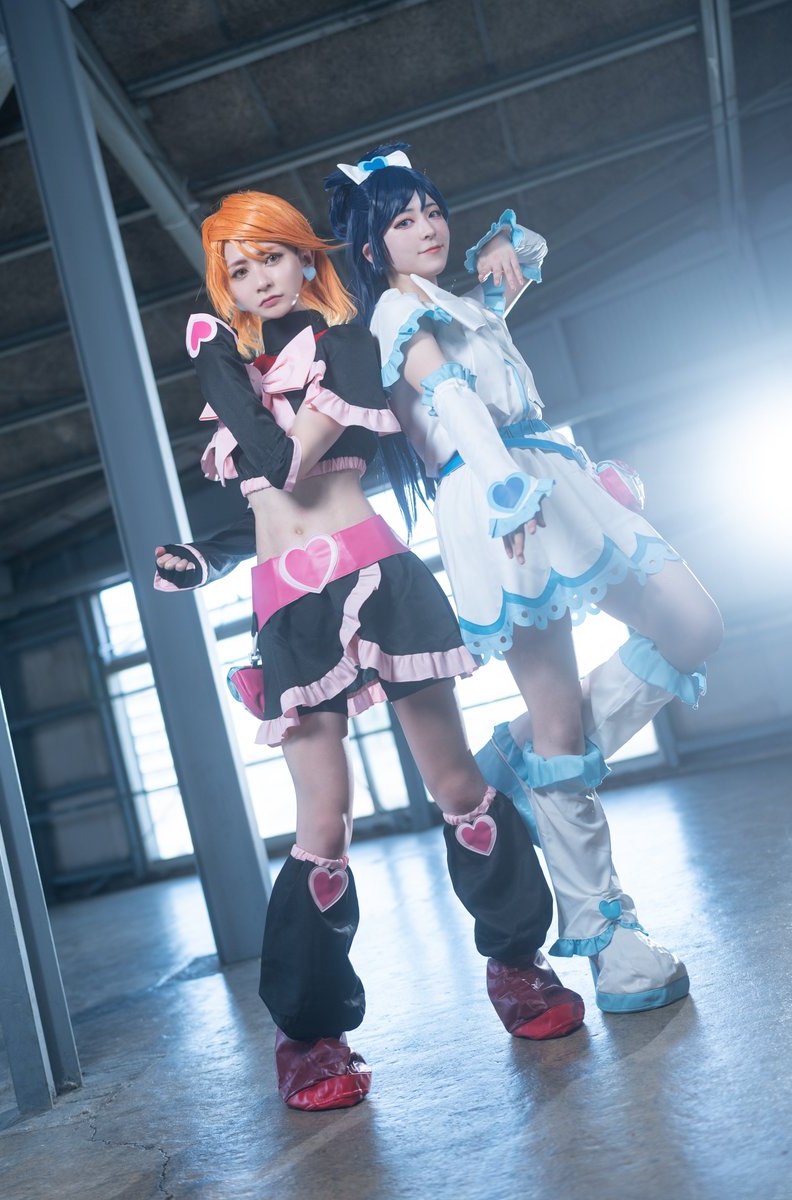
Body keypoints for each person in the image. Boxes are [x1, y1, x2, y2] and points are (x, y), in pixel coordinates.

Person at [154, 191, 585, 1113]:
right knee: (324, 820)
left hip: (377, 575)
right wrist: (204, 556)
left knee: (455, 784)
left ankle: (518, 966)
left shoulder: (343, 345)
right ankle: (311, 1036)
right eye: (238, 271)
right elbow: (261, 501)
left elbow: (287, 464)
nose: (260, 281)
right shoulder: (246, 374)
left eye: (272, 258)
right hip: (285, 604)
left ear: (305, 258)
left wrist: (213, 361)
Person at [325, 145, 724, 1015]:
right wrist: (507, 491)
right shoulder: (395, 311)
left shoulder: (455, 303)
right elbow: (454, 401)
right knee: (556, 712)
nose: (428, 227)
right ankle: (609, 941)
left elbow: (520, 270)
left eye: (432, 209)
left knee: (693, 624)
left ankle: (521, 759)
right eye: (403, 220)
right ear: (372, 247)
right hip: (500, 491)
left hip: (556, 474)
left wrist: (504, 243)